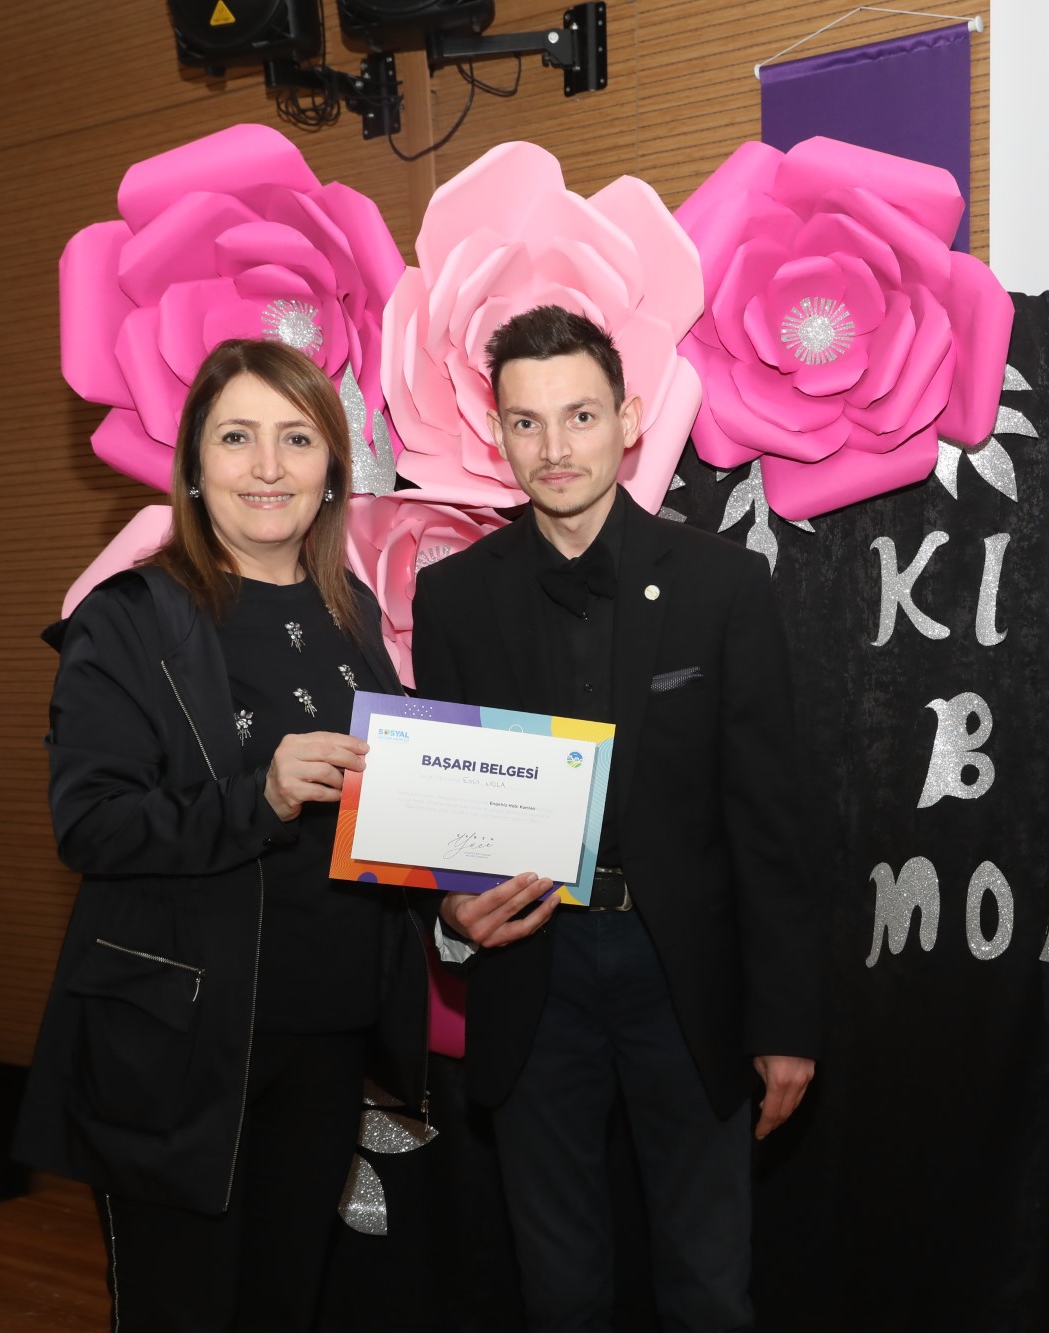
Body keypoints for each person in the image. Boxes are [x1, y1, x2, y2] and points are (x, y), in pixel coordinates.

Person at [411, 305, 822, 1332]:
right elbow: (447, 810)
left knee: (707, 1285)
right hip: (532, 970)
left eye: (580, 415)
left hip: (682, 974)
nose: (555, 446)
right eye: (527, 421)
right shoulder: (451, 599)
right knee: (558, 1291)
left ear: (629, 420)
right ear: (497, 434)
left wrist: (784, 1022)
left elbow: (771, 825)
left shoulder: (724, 585)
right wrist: (449, 909)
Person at [14, 338, 430, 1332]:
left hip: (328, 1036)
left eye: (298, 438)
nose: (268, 466)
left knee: (286, 1303)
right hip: (181, 1047)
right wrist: (262, 796)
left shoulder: (353, 617)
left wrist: (458, 882)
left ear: (333, 468)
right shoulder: (130, 618)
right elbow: (91, 823)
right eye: (237, 437)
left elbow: (389, 819)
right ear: (194, 465)